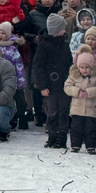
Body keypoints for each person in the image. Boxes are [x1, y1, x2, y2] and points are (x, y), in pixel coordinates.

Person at [33, 13, 73, 149]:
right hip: (49, 85)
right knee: (52, 112)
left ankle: (61, 138)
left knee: (63, 112)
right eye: (62, 27)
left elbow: (69, 63)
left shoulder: (64, 44)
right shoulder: (43, 45)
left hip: (63, 84)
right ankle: (52, 137)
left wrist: (70, 81)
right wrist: (42, 85)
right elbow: (39, 66)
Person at [64, 48, 96, 154]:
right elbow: (67, 87)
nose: (84, 70)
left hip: (92, 109)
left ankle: (91, 146)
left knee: (91, 129)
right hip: (77, 108)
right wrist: (77, 91)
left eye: (87, 67)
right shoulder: (74, 77)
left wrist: (89, 92)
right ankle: (75, 145)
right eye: (82, 67)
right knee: (76, 128)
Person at [0, 21, 31, 130]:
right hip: (0, 80)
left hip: (14, 79)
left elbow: (18, 65)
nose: (0, 35)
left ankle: (22, 119)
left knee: (20, 101)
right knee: (7, 100)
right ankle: (11, 119)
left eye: (3, 33)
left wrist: (20, 80)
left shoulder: (12, 48)